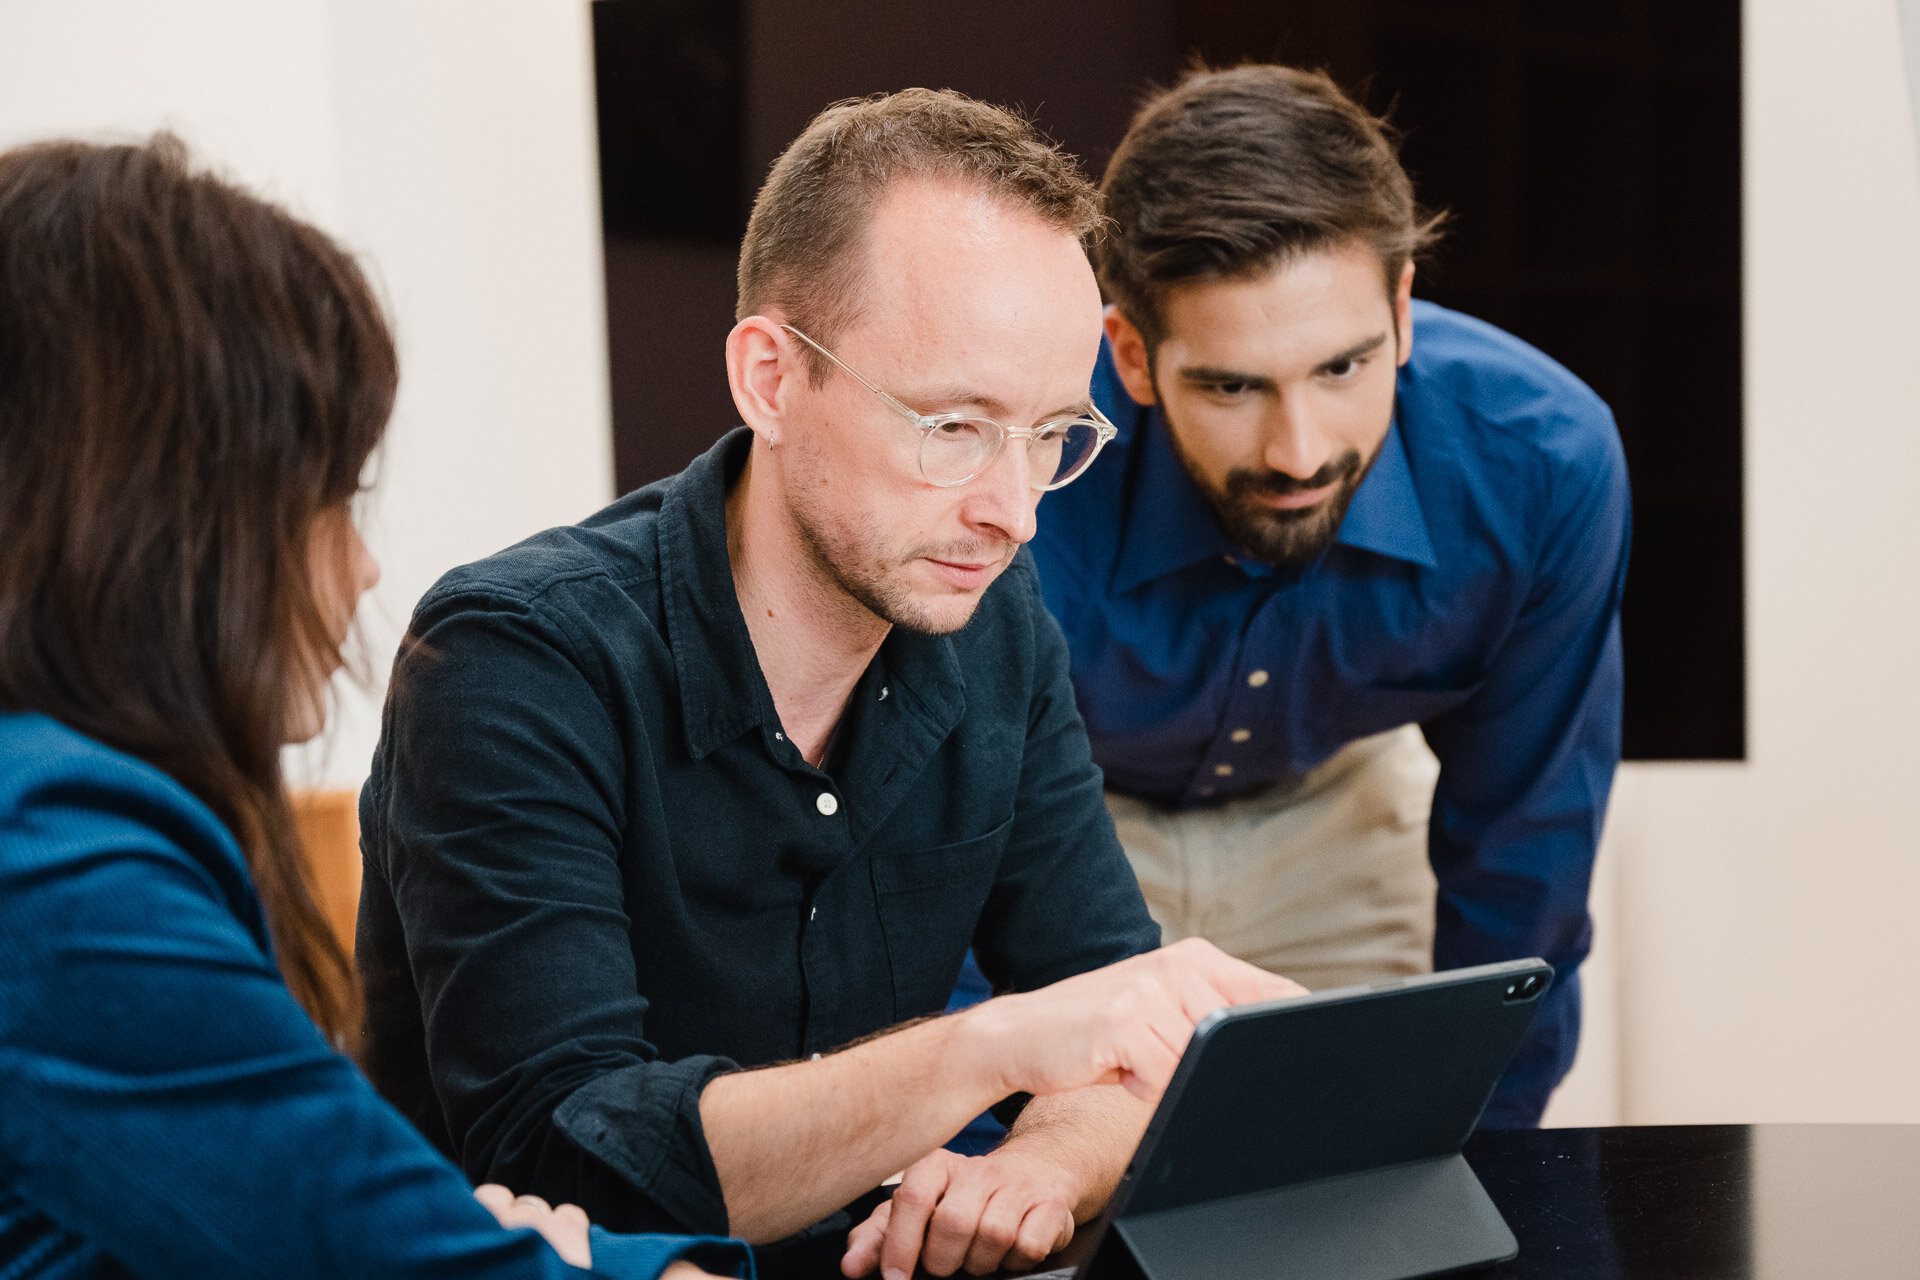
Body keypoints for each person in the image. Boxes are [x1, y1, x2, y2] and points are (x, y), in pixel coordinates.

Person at [355, 89, 1303, 1280]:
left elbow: (1114, 1037)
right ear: (770, 378)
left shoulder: (992, 620)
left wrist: (1041, 1164)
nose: (1012, 511)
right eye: (954, 426)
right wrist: (991, 1048)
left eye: (1054, 434)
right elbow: (566, 1164)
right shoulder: (516, 658)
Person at [0, 135, 751, 1280]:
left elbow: (336, 1213)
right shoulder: (53, 862)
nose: (359, 570)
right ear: (168, 519)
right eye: (332, 499)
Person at [1031, 65, 1631, 1128]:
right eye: (1230, 385)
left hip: (1337, 807)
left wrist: (1474, 1161)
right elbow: (930, 839)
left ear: (1401, 312)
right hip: (1055, 829)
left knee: (1380, 1174)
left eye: (1343, 368)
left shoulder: (1541, 461)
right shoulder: (1023, 464)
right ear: (1130, 353)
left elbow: (1524, 857)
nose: (1299, 451)